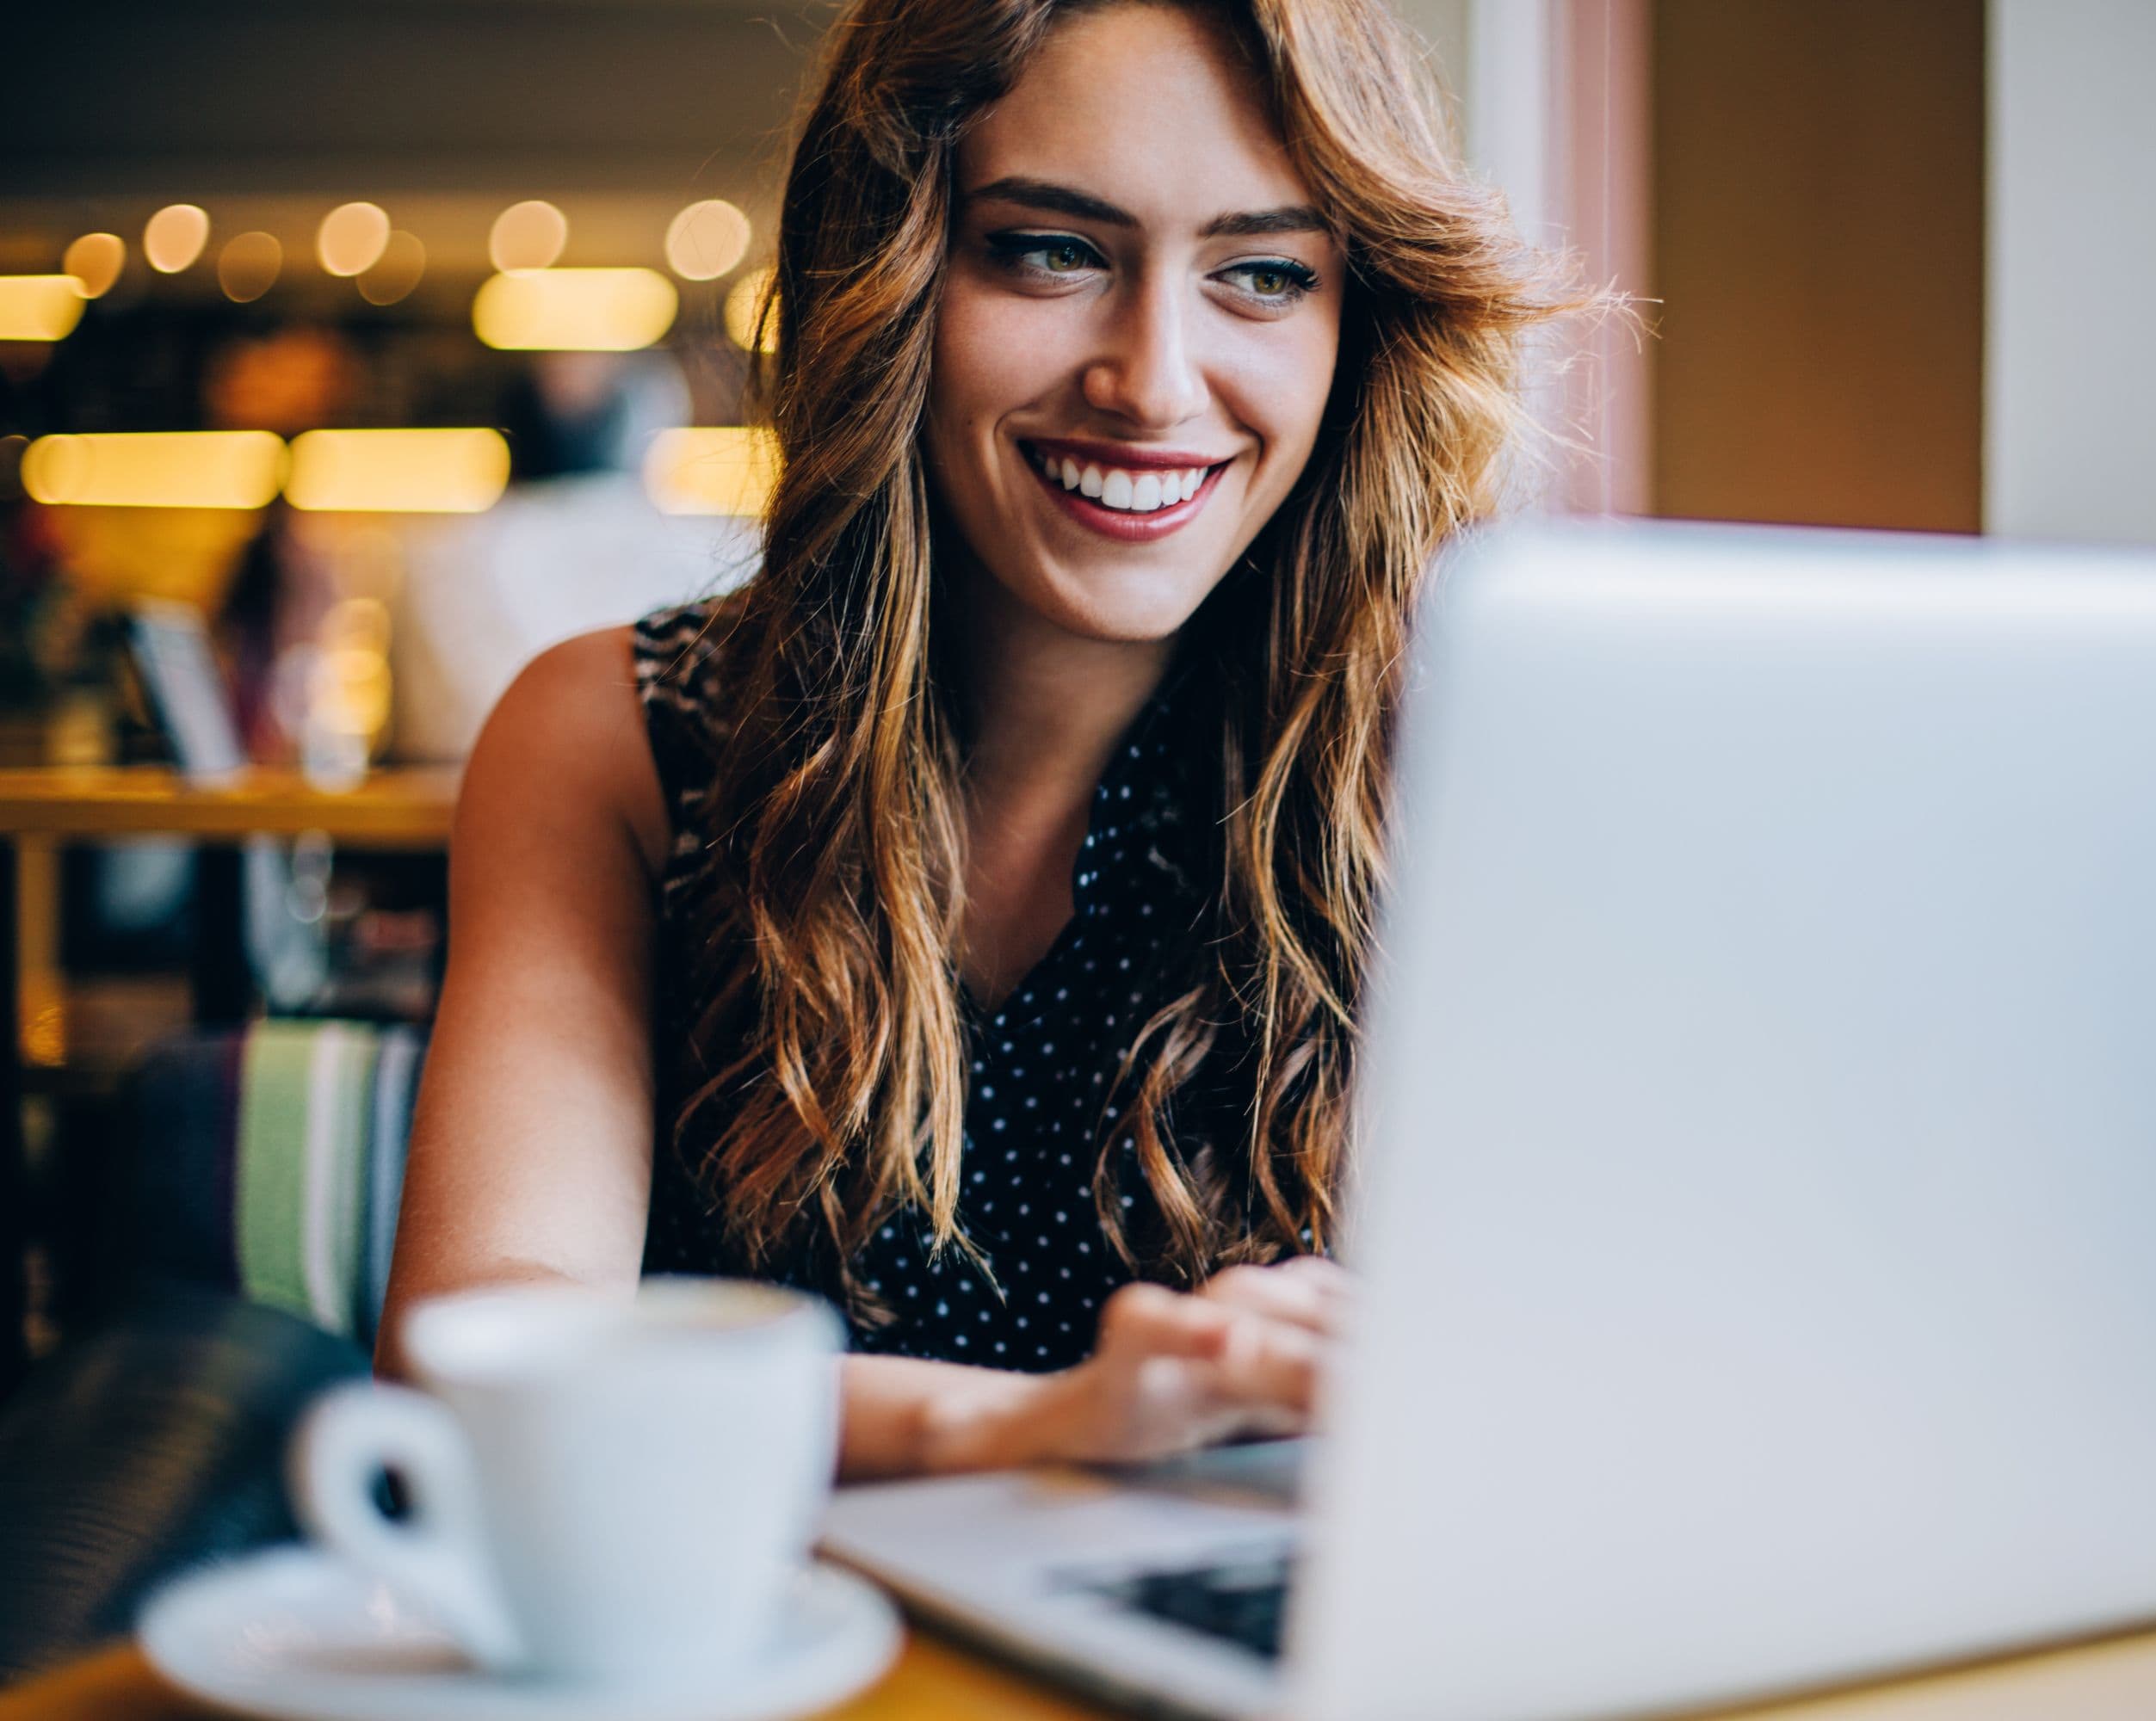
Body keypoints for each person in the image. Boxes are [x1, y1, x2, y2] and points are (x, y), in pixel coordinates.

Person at [379, 0, 1573, 1477]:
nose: (1153, 380)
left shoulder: (1463, 765)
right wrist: (1034, 1426)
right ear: (887, 278)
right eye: (1052, 251)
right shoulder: (618, 740)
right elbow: (475, 1364)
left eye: (1263, 274)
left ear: (1360, 324)